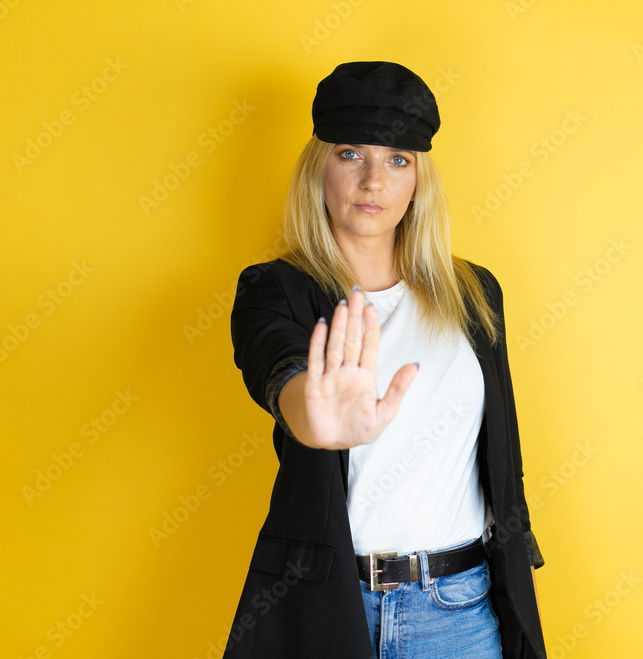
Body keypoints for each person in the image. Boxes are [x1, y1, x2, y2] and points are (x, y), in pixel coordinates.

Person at [222, 61, 547, 658]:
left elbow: (504, 462)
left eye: (398, 160)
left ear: (419, 180)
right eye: (351, 154)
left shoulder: (474, 294)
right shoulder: (275, 289)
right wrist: (311, 415)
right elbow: (277, 364)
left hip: (458, 613)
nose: (374, 180)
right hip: (329, 608)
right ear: (319, 169)